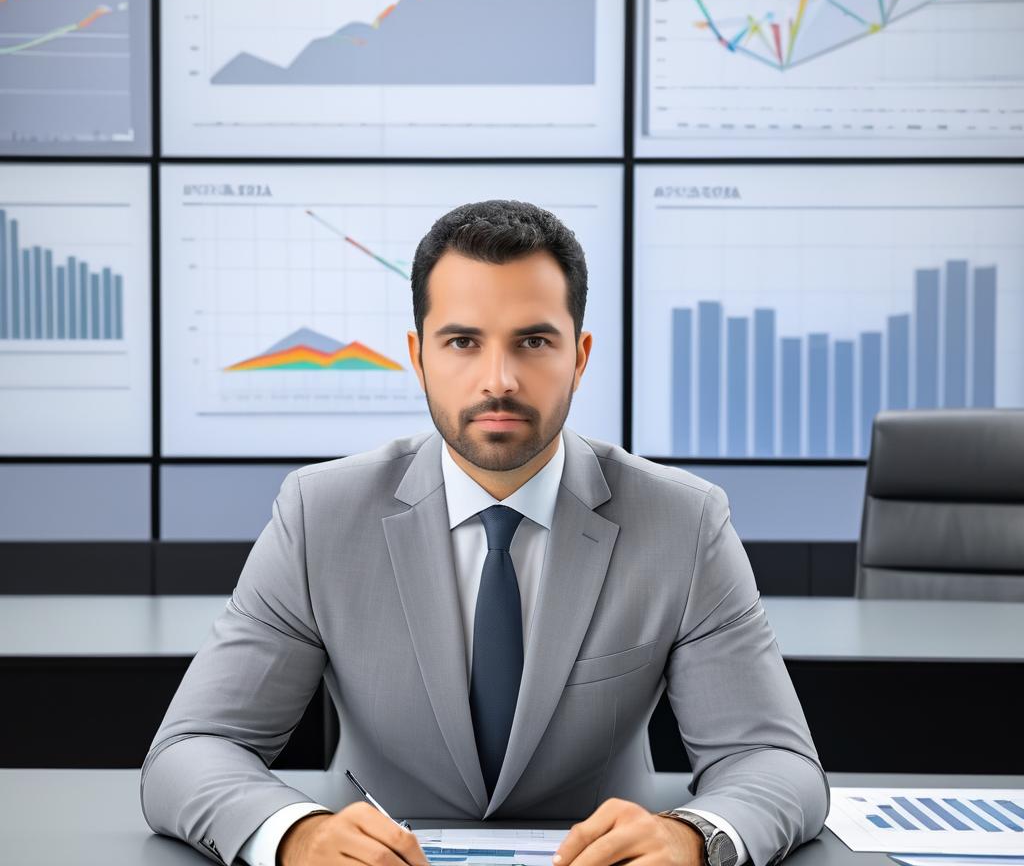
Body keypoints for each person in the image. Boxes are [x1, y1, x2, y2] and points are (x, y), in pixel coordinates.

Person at [141, 200, 828, 866]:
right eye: (463, 342)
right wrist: (292, 835)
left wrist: (693, 840)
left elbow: (770, 760)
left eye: (533, 341)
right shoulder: (319, 514)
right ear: (418, 356)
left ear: (580, 357)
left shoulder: (684, 522)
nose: (498, 380)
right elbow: (193, 747)